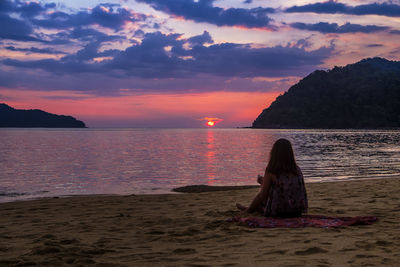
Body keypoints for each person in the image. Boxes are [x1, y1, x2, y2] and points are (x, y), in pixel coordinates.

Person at [236, 138, 308, 217]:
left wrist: (263, 183)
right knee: (267, 187)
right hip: (296, 211)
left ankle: (249, 210)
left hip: (279, 212)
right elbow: (285, 185)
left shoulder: (272, 169)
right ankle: (251, 208)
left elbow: (262, 196)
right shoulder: (296, 169)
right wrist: (263, 181)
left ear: (274, 153)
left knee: (261, 198)